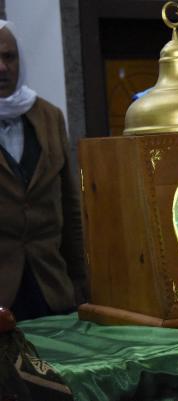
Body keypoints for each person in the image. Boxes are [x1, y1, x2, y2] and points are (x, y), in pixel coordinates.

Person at [0, 21, 87, 321]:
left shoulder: (50, 117)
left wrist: (80, 278)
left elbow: (69, 204)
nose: (2, 67)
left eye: (9, 57)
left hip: (51, 285)